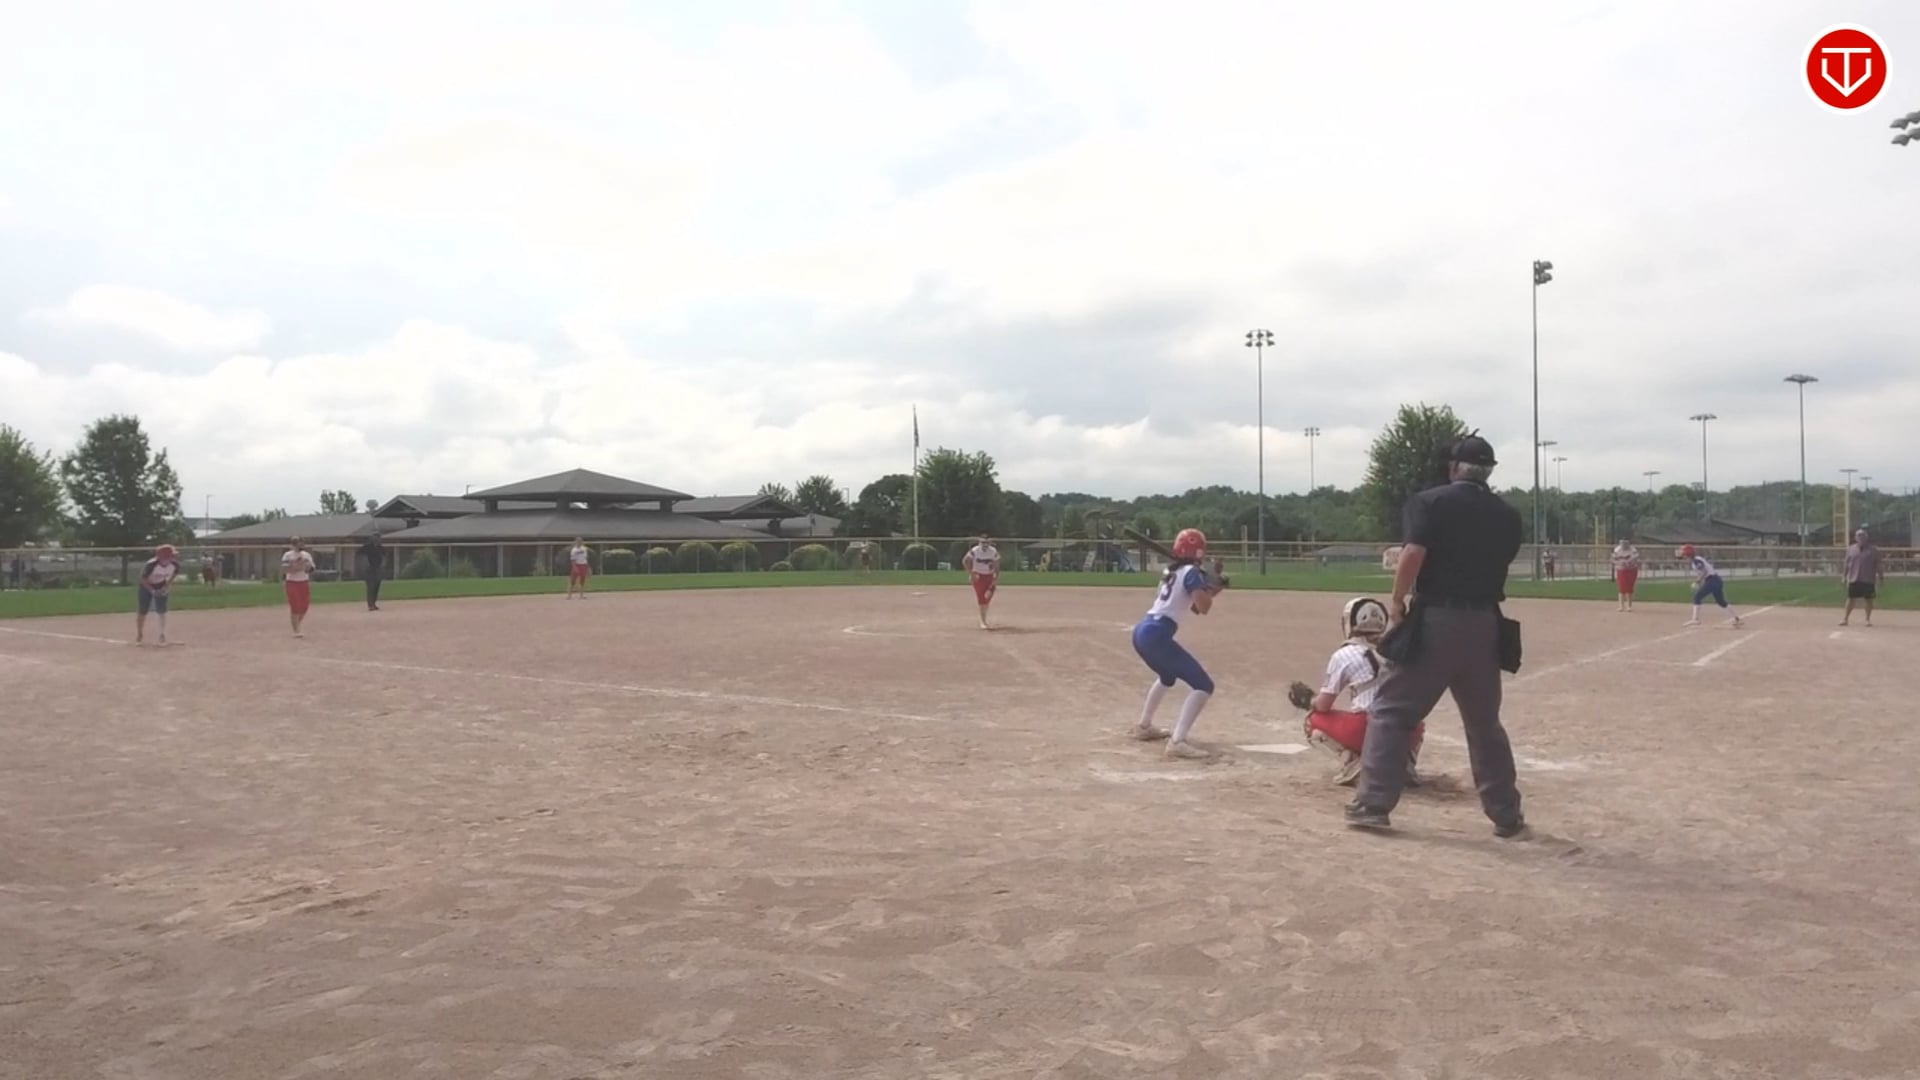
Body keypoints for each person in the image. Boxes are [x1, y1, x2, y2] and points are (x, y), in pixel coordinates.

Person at [1345, 433, 1527, 837]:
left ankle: (1373, 804)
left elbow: (1414, 554)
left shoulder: (1430, 502)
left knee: (1392, 712)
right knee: (1484, 724)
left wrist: (1397, 602)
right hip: (1485, 625)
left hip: (1437, 621)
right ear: (1488, 471)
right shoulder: (1507, 515)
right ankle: (1507, 815)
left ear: (1454, 467)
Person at [1303, 597, 1424, 787]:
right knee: (1416, 720)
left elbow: (1324, 705)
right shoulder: (1399, 648)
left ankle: (1354, 762)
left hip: (1368, 729)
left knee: (1312, 721)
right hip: (1407, 730)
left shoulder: (1344, 654)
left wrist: (1310, 701)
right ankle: (1404, 762)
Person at [1128, 527, 1224, 760]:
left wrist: (1209, 587)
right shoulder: (1191, 572)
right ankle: (1178, 741)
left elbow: (1194, 607)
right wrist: (1211, 588)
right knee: (1204, 685)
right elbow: (1204, 607)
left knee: (1167, 676)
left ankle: (1144, 726)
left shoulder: (1171, 571)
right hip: (1157, 634)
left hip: (1143, 630)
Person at [1677, 544, 1743, 627]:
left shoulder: (1696, 561)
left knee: (1697, 597)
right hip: (1716, 580)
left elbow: (1704, 571)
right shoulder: (1696, 560)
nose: (1682, 553)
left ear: (1688, 553)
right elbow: (1703, 571)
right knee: (1720, 601)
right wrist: (1699, 580)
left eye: (1683, 552)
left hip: (1712, 580)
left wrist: (1697, 581)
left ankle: (1695, 619)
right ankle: (1736, 619)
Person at [135, 544, 180, 646]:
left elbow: (173, 575)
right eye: (171, 555)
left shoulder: (175, 565)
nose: (174, 557)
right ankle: (139, 634)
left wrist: (166, 587)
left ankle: (162, 635)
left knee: (162, 610)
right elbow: (143, 578)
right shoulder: (151, 565)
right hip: (146, 585)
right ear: (163, 556)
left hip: (161, 584)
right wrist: (152, 590)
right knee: (143, 610)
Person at [1840, 528, 1883, 627]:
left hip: (1868, 579)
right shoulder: (1850, 549)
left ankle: (1867, 619)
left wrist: (1881, 577)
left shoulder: (1873, 550)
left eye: (1862, 536)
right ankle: (1845, 618)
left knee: (1869, 600)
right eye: (1858, 536)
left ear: (1866, 537)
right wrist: (1844, 577)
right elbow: (1846, 564)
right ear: (1855, 538)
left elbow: (1878, 565)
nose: (1861, 538)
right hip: (1854, 578)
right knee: (1851, 599)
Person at [962, 531, 1001, 629]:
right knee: (981, 598)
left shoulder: (993, 551)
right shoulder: (975, 550)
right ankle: (983, 621)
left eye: (986, 542)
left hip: (989, 576)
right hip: (978, 576)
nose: (984, 544)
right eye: (982, 542)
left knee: (987, 598)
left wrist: (996, 577)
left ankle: (984, 617)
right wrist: (971, 574)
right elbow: (965, 561)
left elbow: (997, 564)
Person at [281, 536, 316, 637]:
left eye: (301, 543)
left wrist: (307, 567)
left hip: (304, 582)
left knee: (304, 607)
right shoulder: (288, 555)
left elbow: (312, 568)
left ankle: (297, 624)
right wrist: (297, 567)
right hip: (292, 583)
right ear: (293, 545)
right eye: (297, 543)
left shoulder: (306, 555)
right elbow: (285, 569)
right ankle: (296, 630)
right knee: (295, 606)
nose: (300, 545)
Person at [1610, 539, 1642, 612]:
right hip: (1621, 570)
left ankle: (1629, 606)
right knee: (1622, 588)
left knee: (1629, 588)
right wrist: (1619, 563)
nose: (1624, 545)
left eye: (1625, 543)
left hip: (1632, 570)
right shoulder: (1617, 550)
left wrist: (1628, 561)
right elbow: (1612, 559)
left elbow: (1636, 557)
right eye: (1622, 543)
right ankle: (1621, 606)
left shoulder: (1633, 549)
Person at [358, 531, 386, 611]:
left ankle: (373, 603)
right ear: (372, 538)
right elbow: (360, 555)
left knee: (376, 586)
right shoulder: (367, 547)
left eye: (379, 537)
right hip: (369, 569)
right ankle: (370, 605)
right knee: (371, 586)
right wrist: (364, 565)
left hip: (378, 569)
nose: (378, 539)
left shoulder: (381, 548)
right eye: (376, 537)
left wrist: (383, 566)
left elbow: (384, 556)